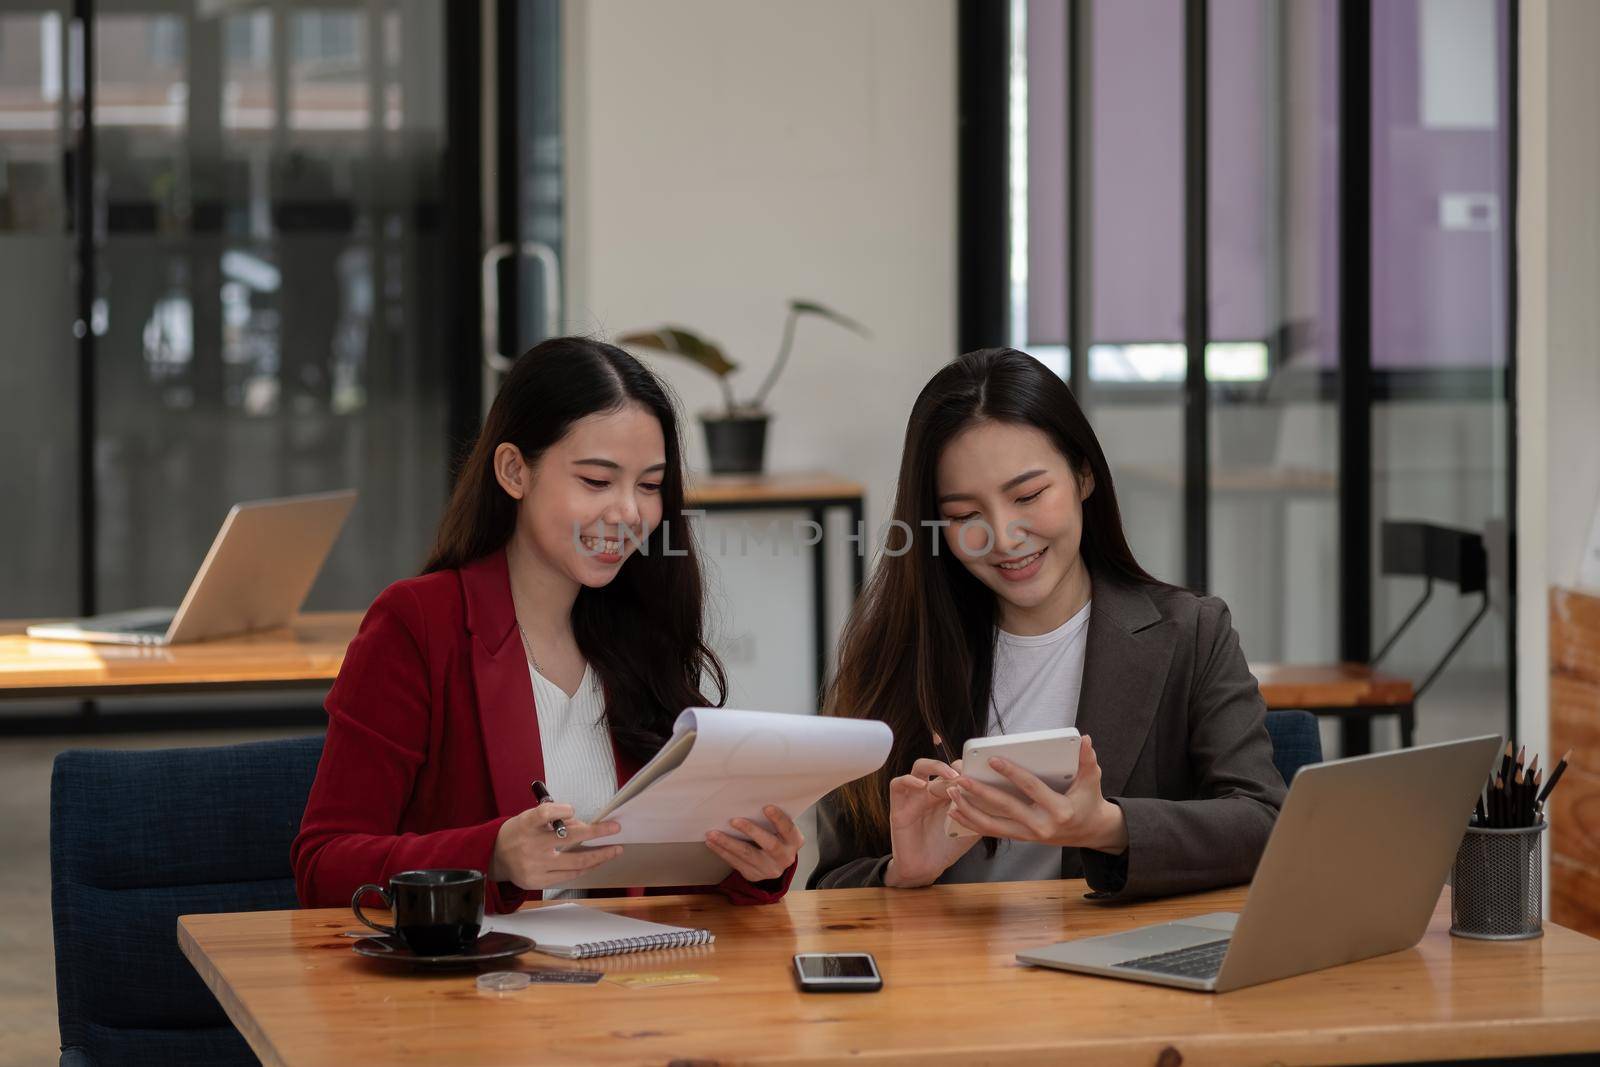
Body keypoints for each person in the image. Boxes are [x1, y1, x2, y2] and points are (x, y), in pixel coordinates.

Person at [293, 337, 802, 913]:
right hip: (478, 990)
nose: (630, 513)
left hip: (629, 985)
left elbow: (657, 877)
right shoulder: (417, 625)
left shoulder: (640, 633)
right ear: (514, 471)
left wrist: (750, 865)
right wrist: (492, 856)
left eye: (650, 485)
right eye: (596, 481)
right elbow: (323, 866)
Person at [809, 347, 1285, 899]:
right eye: (965, 516)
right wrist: (902, 872)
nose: (1004, 536)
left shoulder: (1192, 634)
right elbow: (828, 886)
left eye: (1029, 495)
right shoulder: (890, 658)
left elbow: (1264, 824)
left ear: (1084, 475)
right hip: (941, 977)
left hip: (1115, 971)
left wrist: (1107, 828)